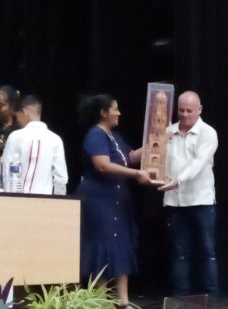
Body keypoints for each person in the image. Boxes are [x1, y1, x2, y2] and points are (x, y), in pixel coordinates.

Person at [76, 94, 151, 308]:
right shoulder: (95, 135)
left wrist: (158, 141)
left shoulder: (114, 136)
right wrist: (136, 174)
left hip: (117, 201)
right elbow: (102, 165)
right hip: (99, 201)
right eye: (115, 109)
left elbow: (132, 155)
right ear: (103, 113)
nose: (119, 113)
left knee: (120, 245)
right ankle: (99, 301)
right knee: (103, 246)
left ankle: (123, 301)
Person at [158, 90, 219, 296]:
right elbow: (155, 156)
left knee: (207, 253)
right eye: (181, 110)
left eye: (189, 111)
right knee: (179, 254)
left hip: (201, 201)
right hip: (175, 202)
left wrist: (178, 181)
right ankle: (179, 301)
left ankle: (211, 300)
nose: (184, 115)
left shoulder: (208, 133)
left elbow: (199, 164)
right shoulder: (168, 132)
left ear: (199, 110)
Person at [0, 95, 68, 195]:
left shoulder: (15, 137)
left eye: (17, 116)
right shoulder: (55, 139)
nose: (17, 121)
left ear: (24, 112)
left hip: (16, 202)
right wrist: (59, 202)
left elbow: (6, 171)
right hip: (44, 203)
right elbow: (61, 178)